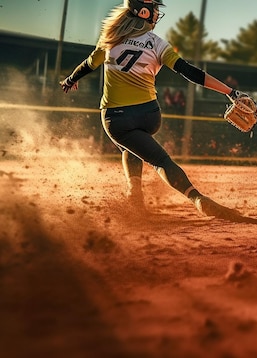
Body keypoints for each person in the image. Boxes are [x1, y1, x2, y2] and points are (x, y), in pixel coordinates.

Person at [59, 0, 244, 220]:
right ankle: (135, 196)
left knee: (156, 158)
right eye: (154, 9)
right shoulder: (157, 44)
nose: (157, 13)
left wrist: (71, 79)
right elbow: (189, 72)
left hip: (117, 119)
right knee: (135, 146)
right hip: (149, 115)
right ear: (143, 12)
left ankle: (196, 198)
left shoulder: (110, 39)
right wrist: (229, 92)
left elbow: (90, 63)